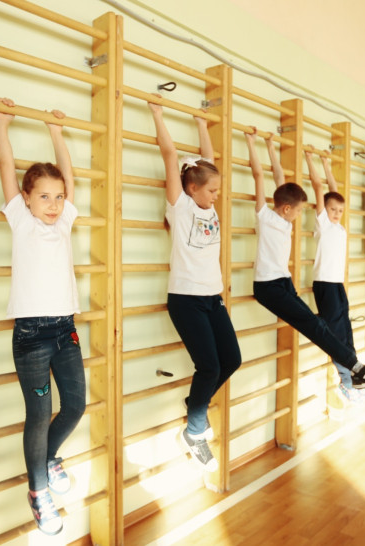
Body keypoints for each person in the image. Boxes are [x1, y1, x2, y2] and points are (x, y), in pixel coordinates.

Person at [0, 97, 85, 536]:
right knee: (39, 413)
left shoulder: (64, 222)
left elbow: (69, 175)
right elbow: (5, 167)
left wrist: (56, 132)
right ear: (25, 198)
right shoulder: (21, 220)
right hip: (31, 335)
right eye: (44, 197)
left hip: (65, 330)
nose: (53, 204)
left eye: (59, 197)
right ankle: (39, 491)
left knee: (76, 405)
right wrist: (2, 123)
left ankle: (49, 458)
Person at [245, 128, 365, 389]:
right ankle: (358, 369)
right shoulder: (265, 216)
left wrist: (270, 146)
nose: (300, 215)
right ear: (287, 208)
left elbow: (279, 178)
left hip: (283, 282)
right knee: (315, 326)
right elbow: (259, 175)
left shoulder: (285, 221)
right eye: (299, 210)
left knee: (319, 325)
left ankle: (355, 371)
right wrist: (252, 143)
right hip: (268, 287)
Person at [148, 95, 241, 473]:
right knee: (209, 367)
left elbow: (209, 159)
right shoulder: (181, 206)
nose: (217, 196)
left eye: (216, 190)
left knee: (231, 360)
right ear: (191, 189)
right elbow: (170, 156)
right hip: (186, 298)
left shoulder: (208, 205)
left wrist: (203, 124)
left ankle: (195, 406)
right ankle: (194, 431)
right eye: (212, 191)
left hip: (212, 297)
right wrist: (158, 114)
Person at [304, 149, 365, 403]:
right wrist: (311, 160)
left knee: (347, 334)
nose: (337, 213)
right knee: (335, 336)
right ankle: (346, 383)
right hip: (325, 285)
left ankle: (354, 378)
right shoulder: (323, 223)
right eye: (332, 209)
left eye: (340, 210)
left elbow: (334, 189)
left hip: (337, 285)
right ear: (324, 210)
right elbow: (321, 187)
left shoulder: (339, 226)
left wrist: (326, 162)